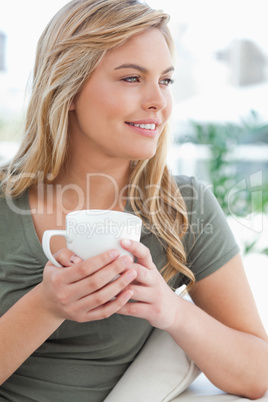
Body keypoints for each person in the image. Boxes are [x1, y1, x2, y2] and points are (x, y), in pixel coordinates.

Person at [0, 0, 267, 401]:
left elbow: (257, 373)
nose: (158, 101)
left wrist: (171, 310)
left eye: (166, 80)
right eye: (130, 79)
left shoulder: (185, 206)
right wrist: (47, 306)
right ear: (67, 88)